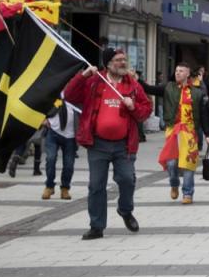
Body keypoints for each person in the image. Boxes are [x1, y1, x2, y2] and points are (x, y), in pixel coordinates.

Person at [64, 47, 153, 240]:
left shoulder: (133, 85)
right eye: (118, 60)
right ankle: (97, 226)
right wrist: (83, 75)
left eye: (124, 59)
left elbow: (146, 110)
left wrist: (133, 106)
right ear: (108, 64)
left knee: (127, 180)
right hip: (98, 144)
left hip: (124, 144)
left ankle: (125, 210)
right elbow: (69, 95)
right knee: (96, 185)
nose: (123, 63)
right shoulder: (95, 82)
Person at [145, 62, 209, 204]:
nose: (177, 73)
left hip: (189, 132)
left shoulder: (197, 93)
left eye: (181, 71)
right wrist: (136, 79)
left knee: (188, 163)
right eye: (176, 70)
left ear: (187, 74)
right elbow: (149, 89)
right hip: (172, 131)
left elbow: (204, 114)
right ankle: (174, 184)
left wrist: (207, 134)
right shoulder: (168, 88)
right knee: (171, 163)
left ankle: (188, 193)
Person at [41, 98, 78, 200]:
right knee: (50, 158)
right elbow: (41, 103)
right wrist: (43, 118)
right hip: (53, 132)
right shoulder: (54, 90)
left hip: (70, 136)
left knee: (69, 164)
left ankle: (65, 188)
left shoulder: (75, 95)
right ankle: (49, 186)